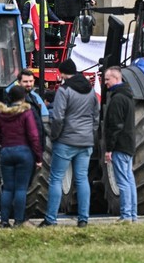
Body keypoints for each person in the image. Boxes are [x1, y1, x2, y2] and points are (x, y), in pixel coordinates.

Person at [41, 59, 99, 228]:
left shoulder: (64, 90)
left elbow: (58, 117)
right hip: (86, 141)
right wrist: (91, 134)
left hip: (66, 141)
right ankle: (83, 219)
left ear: (63, 73)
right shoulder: (90, 91)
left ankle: (51, 219)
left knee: (56, 178)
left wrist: (54, 135)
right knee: (82, 178)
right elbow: (96, 116)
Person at [0, 84, 43, 228]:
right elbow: (33, 136)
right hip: (24, 152)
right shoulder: (26, 113)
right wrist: (38, 157)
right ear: (23, 97)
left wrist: (5, 141)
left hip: (6, 151)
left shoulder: (0, 113)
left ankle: (4, 221)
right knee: (21, 189)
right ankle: (19, 220)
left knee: (7, 188)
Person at [103, 66, 137, 223]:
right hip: (129, 144)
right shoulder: (128, 97)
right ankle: (132, 215)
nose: (105, 83)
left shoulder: (117, 99)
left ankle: (126, 215)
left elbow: (115, 126)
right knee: (129, 180)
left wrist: (109, 148)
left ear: (116, 78)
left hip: (120, 145)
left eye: (107, 79)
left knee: (123, 181)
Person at [8, 69, 49, 152]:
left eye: (31, 81)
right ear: (19, 82)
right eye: (25, 82)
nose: (29, 84)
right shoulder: (13, 99)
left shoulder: (33, 97)